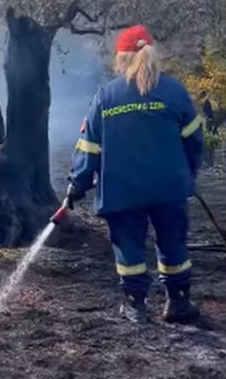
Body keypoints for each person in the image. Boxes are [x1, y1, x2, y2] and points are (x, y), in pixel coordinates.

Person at [67, 25, 205, 325]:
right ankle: (178, 303)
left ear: (121, 58)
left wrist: (77, 183)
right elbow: (194, 140)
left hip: (122, 190)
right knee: (173, 243)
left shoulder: (106, 96)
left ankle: (135, 306)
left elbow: (88, 146)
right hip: (169, 188)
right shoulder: (174, 91)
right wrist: (188, 174)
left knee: (128, 247)